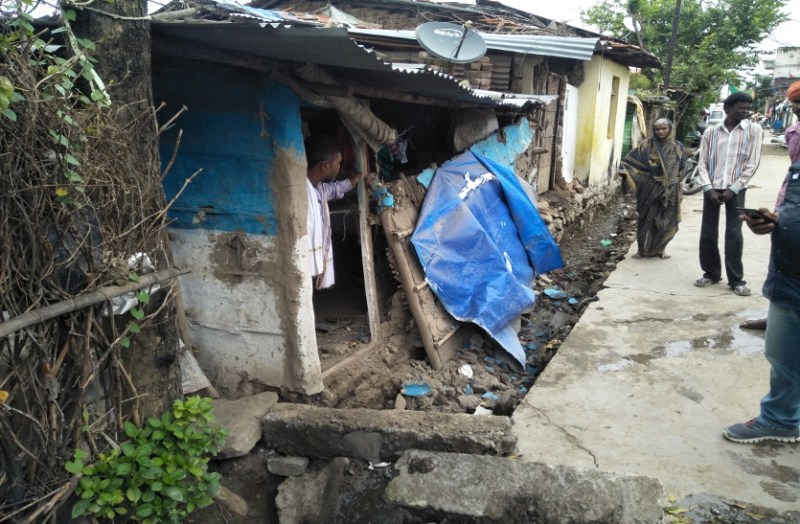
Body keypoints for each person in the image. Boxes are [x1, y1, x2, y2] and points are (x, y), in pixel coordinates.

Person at [723, 161, 800, 444]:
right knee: (783, 356)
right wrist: (773, 221)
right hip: (787, 275)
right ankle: (780, 419)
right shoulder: (797, 168)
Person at [740, 80, 800, 330]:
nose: (799, 107)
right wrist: (780, 212)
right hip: (791, 198)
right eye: (796, 102)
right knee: (781, 260)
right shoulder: (792, 133)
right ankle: (777, 315)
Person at [694, 92, 763, 296]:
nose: (746, 112)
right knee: (708, 231)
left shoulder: (754, 130)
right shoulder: (711, 132)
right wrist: (708, 188)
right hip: (712, 188)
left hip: (737, 189)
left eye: (748, 108)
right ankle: (711, 273)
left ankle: (736, 279)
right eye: (742, 108)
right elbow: (702, 163)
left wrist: (734, 188)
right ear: (728, 109)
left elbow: (752, 163)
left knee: (734, 233)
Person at [621, 117, 687, 259]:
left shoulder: (678, 148)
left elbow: (681, 170)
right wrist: (644, 181)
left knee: (667, 221)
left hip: (670, 191)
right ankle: (641, 250)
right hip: (649, 190)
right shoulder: (646, 146)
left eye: (664, 128)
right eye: (657, 129)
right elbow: (630, 163)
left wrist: (680, 190)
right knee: (646, 220)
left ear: (670, 129)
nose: (660, 131)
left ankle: (661, 249)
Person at [305, 134, 362, 290]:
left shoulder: (317, 187)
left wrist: (352, 182)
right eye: (338, 163)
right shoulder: (302, 193)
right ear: (325, 166)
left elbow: (332, 189)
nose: (339, 167)